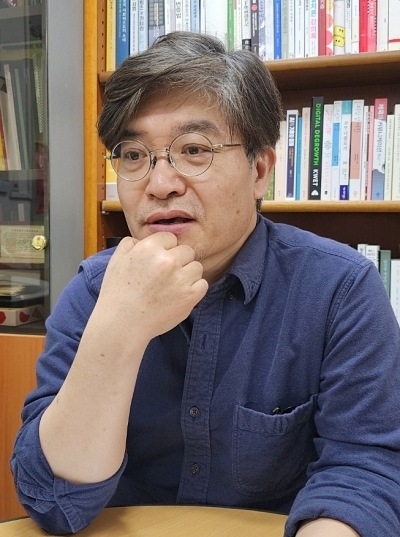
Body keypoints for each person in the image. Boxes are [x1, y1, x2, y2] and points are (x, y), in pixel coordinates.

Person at [10, 31, 400, 537]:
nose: (159, 184)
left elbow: (365, 471)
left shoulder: (339, 288)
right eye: (133, 155)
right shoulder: (93, 290)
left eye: (194, 149)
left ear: (259, 171)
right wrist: (119, 328)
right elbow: (53, 501)